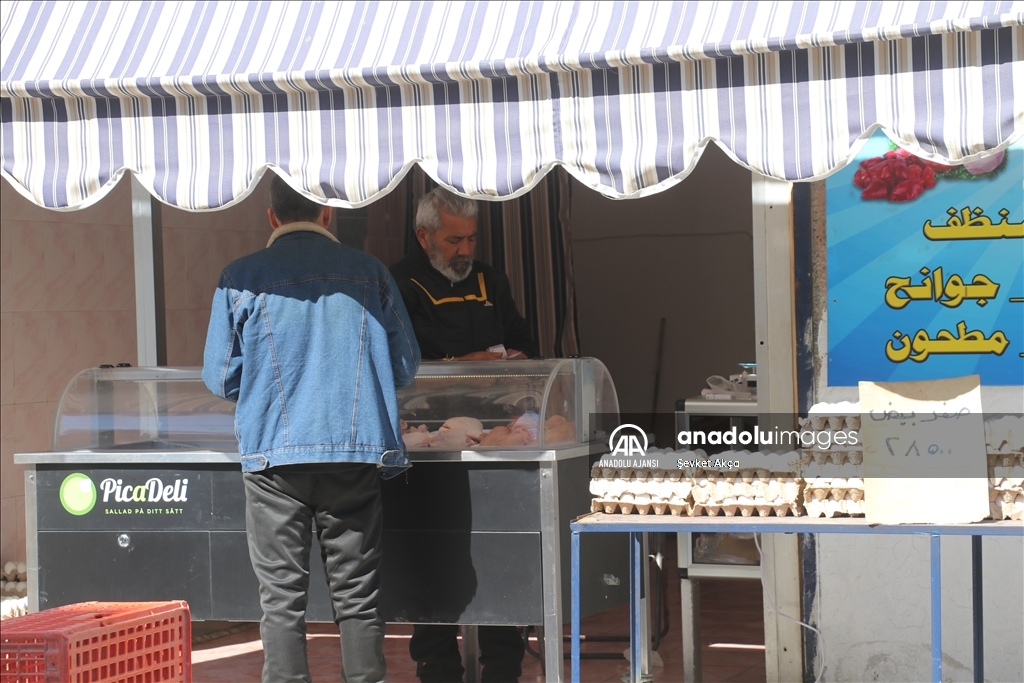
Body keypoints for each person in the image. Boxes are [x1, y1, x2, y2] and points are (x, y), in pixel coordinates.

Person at [202, 176, 421, 683]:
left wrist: (260, 383)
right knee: (358, 598)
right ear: (327, 212)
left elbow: (219, 376)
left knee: (281, 602)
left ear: (272, 216)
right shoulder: (370, 272)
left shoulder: (240, 276)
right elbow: (405, 366)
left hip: (272, 460)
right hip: (354, 455)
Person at [390, 187, 538, 683]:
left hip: (494, 437)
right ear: (423, 235)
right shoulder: (398, 283)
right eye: (455, 240)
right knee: (431, 557)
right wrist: (461, 367)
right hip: (427, 442)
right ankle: (436, 668)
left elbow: (523, 340)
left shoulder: (488, 279)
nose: (465, 250)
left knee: (501, 550)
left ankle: (503, 669)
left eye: (471, 239)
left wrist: (514, 361)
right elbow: (399, 364)